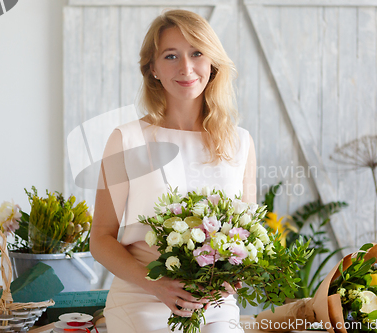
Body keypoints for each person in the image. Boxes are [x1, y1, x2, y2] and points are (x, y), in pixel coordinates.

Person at [90, 9, 256, 333]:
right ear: (152, 68)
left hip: (215, 306)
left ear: (212, 62)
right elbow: (100, 239)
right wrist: (156, 284)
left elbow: (245, 240)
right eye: (171, 56)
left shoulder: (241, 143)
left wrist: (227, 283)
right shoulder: (126, 139)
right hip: (142, 298)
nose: (186, 67)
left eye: (197, 53)